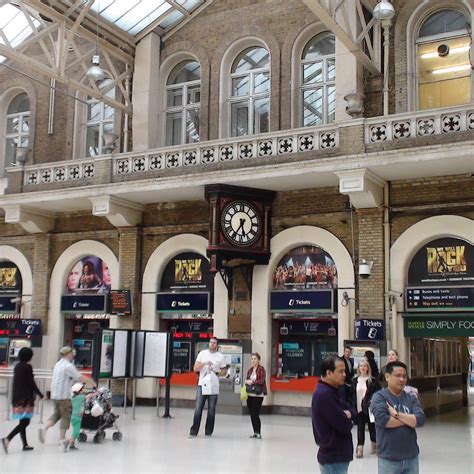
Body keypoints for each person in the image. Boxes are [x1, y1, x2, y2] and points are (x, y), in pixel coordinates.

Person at [371, 361, 425, 474]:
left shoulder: (411, 398)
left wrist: (396, 414)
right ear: (387, 377)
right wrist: (410, 420)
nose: (402, 379)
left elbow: (420, 420)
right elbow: (384, 421)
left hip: (411, 457)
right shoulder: (379, 397)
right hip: (388, 459)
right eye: (398, 376)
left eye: (404, 376)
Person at [39, 346, 96, 445]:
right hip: (63, 396)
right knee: (66, 416)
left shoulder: (58, 364)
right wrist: (92, 383)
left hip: (55, 395)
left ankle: (44, 428)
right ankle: (62, 440)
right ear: (68, 354)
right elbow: (80, 377)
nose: (73, 354)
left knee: (57, 414)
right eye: (71, 353)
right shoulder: (68, 366)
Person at [312, 356, 356, 474]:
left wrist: (349, 414)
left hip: (339, 453)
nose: (344, 374)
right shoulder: (324, 394)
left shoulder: (334, 390)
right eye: (340, 371)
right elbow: (344, 425)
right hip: (333, 455)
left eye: (345, 371)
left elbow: (352, 410)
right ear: (329, 373)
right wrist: (347, 418)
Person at [2, 347, 43, 453]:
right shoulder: (28, 367)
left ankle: (25, 444)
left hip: (17, 398)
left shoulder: (17, 366)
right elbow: (31, 383)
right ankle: (7, 439)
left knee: (22, 421)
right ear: (29, 356)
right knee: (25, 422)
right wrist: (40, 394)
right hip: (26, 398)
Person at [188, 337, 227, 438]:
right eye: (211, 342)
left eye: (214, 343)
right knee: (198, 408)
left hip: (213, 385)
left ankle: (208, 432)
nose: (212, 344)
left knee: (211, 409)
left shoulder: (220, 356)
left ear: (217, 345)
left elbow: (224, 371)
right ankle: (193, 431)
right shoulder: (202, 354)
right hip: (202, 384)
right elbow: (195, 368)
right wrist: (204, 363)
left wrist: (216, 370)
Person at [351, 358, 381, 458]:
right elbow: (352, 395)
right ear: (358, 368)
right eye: (361, 366)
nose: (363, 368)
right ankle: (360, 448)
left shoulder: (372, 381)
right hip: (359, 408)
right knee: (360, 428)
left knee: (372, 427)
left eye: (365, 366)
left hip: (369, 408)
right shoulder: (355, 381)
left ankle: (374, 444)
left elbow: (378, 393)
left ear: (368, 368)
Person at [245, 352, 267, 439]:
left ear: (258, 360)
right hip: (249, 394)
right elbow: (247, 380)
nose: (253, 360)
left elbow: (261, 381)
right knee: (251, 414)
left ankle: (258, 432)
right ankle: (255, 432)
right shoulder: (250, 370)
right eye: (252, 359)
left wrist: (252, 382)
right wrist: (247, 381)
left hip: (258, 395)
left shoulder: (261, 369)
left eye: (255, 359)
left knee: (255, 413)